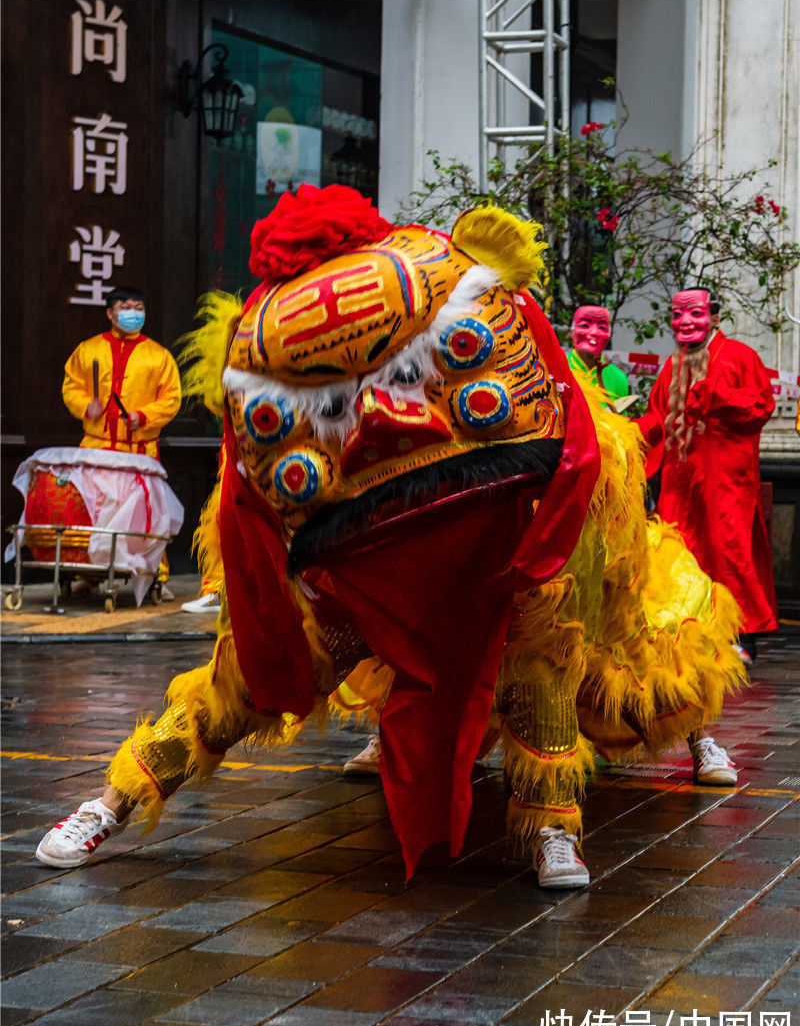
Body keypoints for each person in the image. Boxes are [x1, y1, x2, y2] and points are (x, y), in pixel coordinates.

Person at [34, 191, 744, 890]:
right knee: (251, 681)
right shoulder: (292, 364)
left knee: (553, 661)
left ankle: (554, 824)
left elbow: (563, 454)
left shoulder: (474, 321)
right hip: (375, 577)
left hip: (499, 555)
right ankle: (114, 801)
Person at [636, 287, 778, 669]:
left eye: (694, 314)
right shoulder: (672, 366)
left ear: (713, 317)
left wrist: (717, 395)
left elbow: (761, 406)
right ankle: (688, 634)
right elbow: (656, 419)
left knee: (729, 554)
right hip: (679, 481)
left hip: (725, 480)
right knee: (680, 554)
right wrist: (627, 437)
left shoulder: (740, 357)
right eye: (678, 315)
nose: (685, 322)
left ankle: (741, 637)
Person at [62, 286, 182, 596]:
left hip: (139, 449)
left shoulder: (159, 356)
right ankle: (88, 574)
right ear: (110, 313)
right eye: (126, 306)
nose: (133, 312)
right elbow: (71, 387)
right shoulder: (87, 350)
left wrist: (143, 416)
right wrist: (84, 405)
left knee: (149, 514)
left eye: (138, 306)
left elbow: (171, 398)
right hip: (97, 445)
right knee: (91, 511)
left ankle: (156, 575)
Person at [566, 304, 630, 404]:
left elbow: (619, 417)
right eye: (585, 325)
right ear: (570, 332)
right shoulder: (554, 370)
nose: (594, 332)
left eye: (601, 327)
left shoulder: (618, 377)